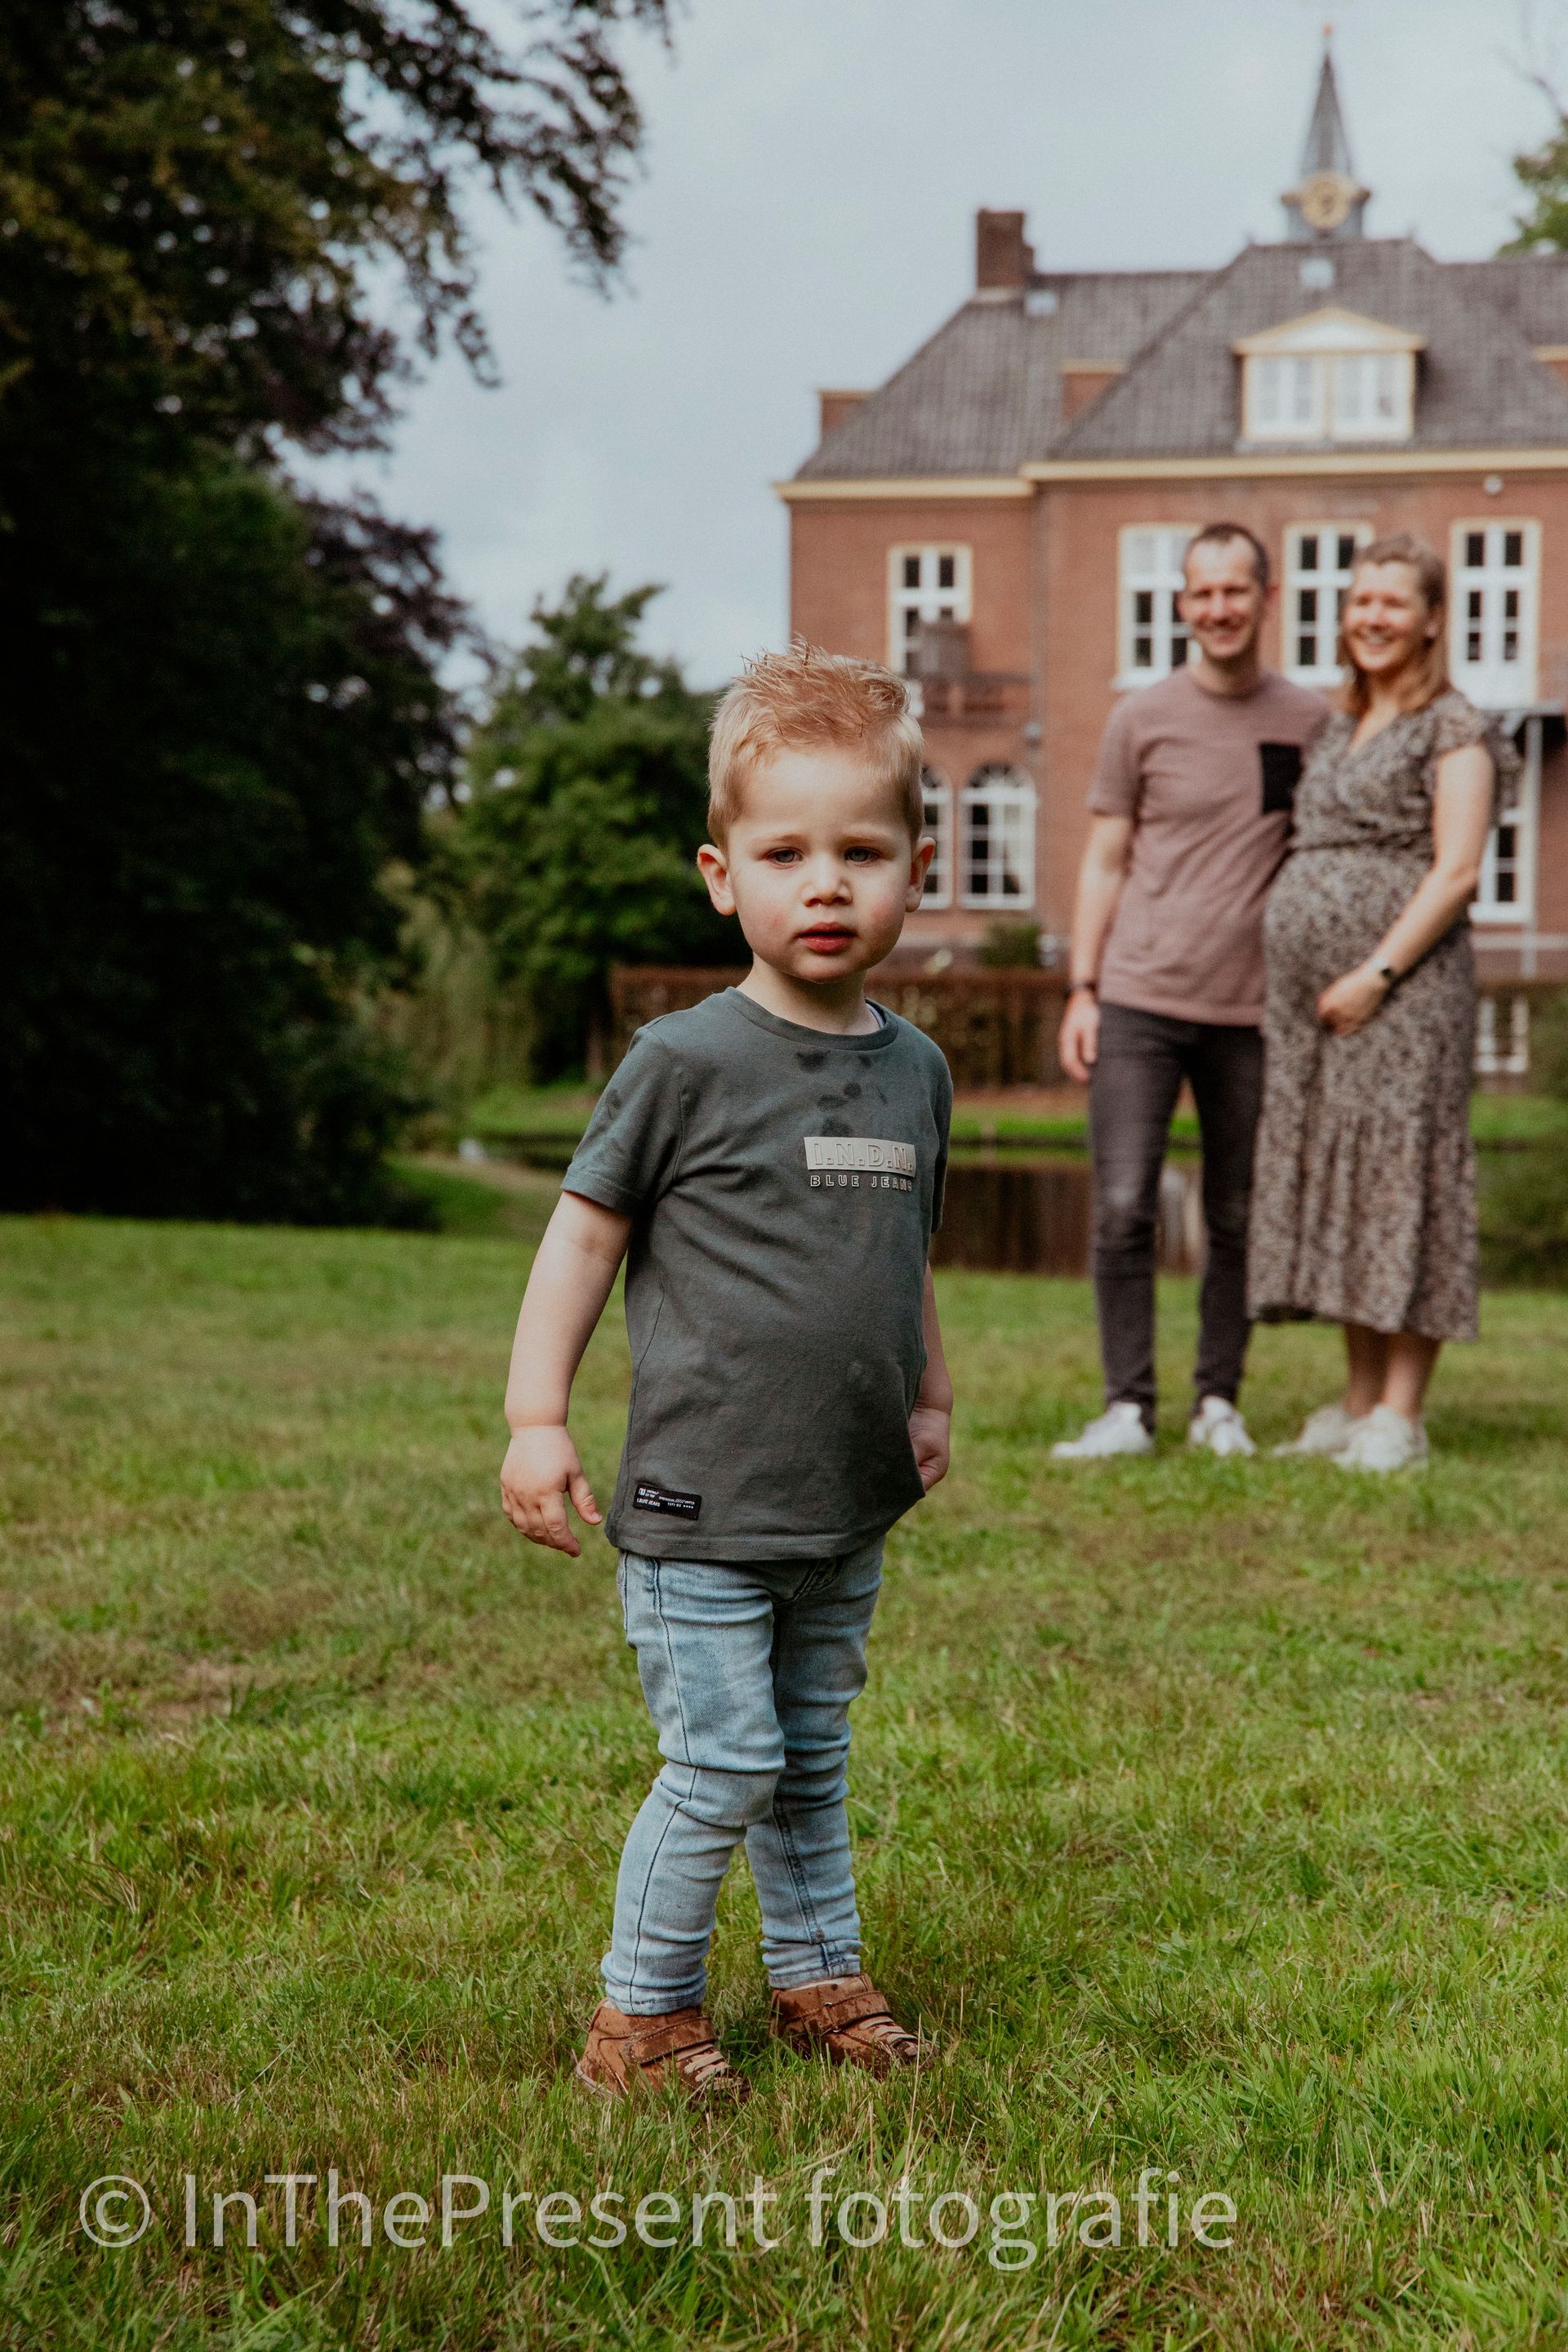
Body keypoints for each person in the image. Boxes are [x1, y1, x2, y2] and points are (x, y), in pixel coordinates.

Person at [497, 644, 955, 2102]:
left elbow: (904, 1258)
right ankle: (641, 2019)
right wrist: (533, 1418)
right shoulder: (685, 1060)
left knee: (810, 1758)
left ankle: (817, 1973)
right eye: (786, 853)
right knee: (722, 1764)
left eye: (861, 852)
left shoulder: (917, 1072)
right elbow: (580, 1243)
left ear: (913, 872)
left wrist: (930, 1396)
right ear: (722, 874)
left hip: (842, 1501)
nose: (825, 884)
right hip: (702, 1504)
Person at [1053, 523, 1330, 1459]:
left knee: (1237, 1213)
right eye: (1201, 592)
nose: (1218, 608)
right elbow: (1104, 860)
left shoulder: (1309, 721)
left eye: (1235, 590)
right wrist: (1083, 989)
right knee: (1125, 1203)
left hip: (1254, 1015)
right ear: (1181, 604)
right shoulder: (1141, 717)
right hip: (1137, 998)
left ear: (1264, 596)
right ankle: (1128, 1407)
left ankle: (1220, 1402)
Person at [1249, 534, 1513, 1472]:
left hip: (1405, 993)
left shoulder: (1457, 727)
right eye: (1361, 600)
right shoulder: (1334, 725)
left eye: (1394, 602)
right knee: (1348, 1184)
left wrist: (1377, 974)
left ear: (1434, 618)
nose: (1371, 617)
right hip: (1314, 1006)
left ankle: (1401, 1414)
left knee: (1405, 1177)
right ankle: (1357, 1403)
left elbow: (1456, 871)